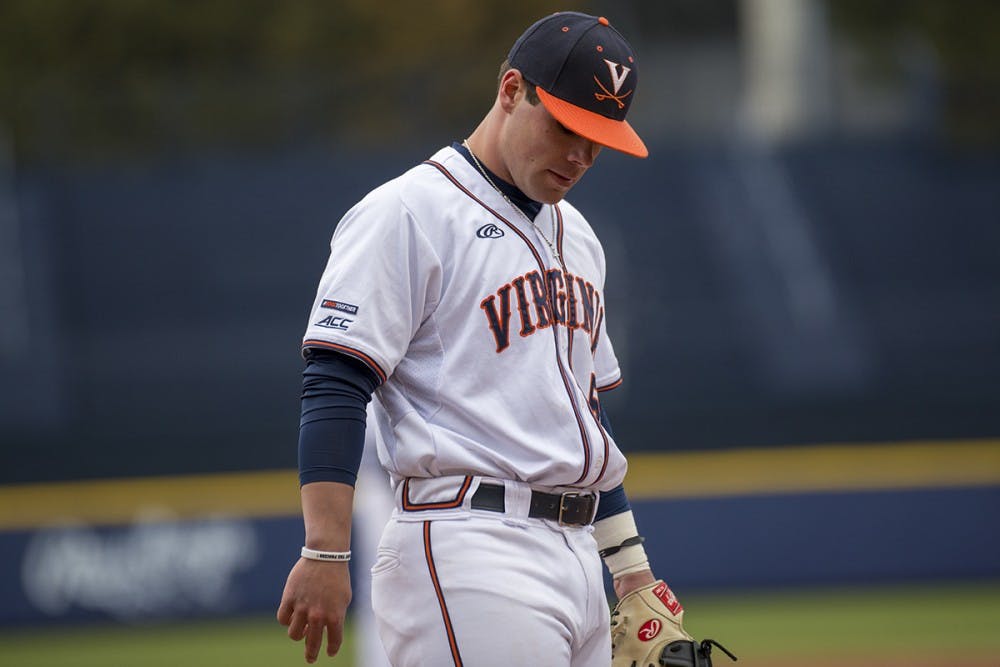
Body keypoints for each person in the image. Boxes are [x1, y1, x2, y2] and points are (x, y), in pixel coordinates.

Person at [278, 11, 694, 666]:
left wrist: (632, 569)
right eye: (566, 127)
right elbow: (334, 381)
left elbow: (581, 419)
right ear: (510, 91)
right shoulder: (408, 212)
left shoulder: (580, 239)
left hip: (579, 554)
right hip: (470, 545)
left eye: (597, 139)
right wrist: (325, 549)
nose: (581, 155)